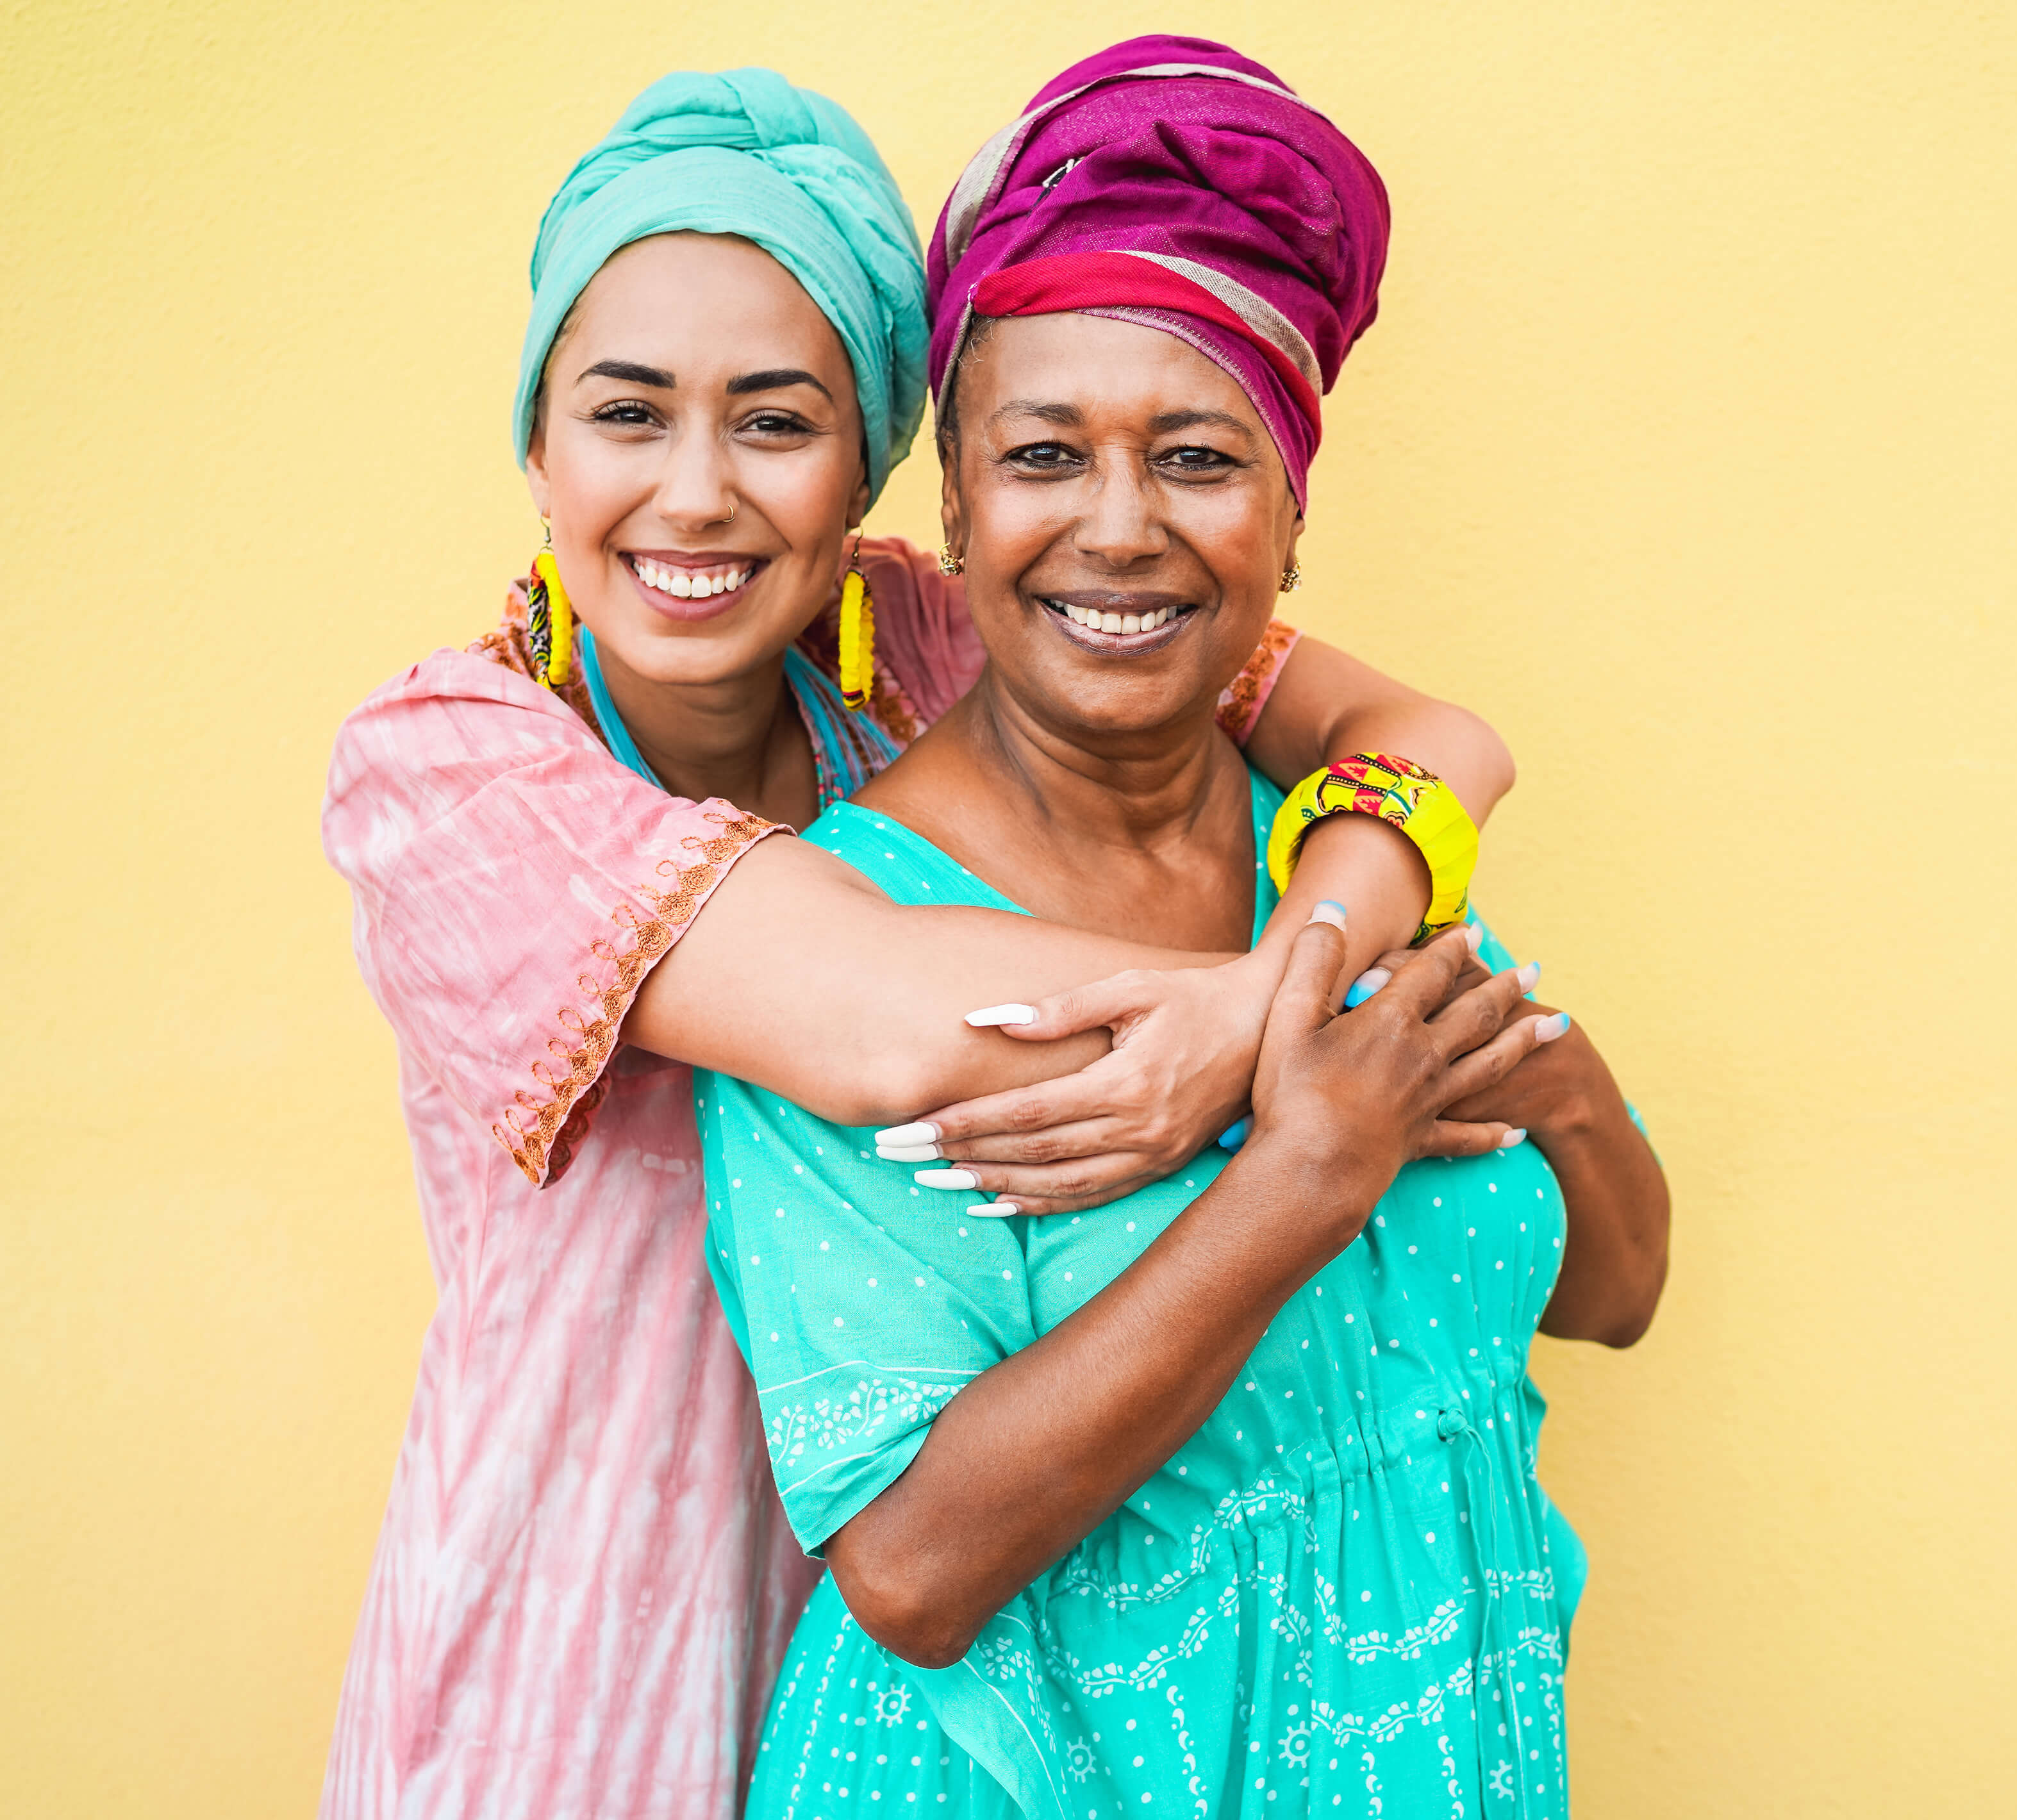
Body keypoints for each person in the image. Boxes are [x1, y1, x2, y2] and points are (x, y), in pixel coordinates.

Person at [319, 68, 1523, 1820]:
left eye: (776, 421)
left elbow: (1428, 738)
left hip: (940, 1623)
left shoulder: (940, 637)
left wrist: (1300, 975)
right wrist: (1320, 1027)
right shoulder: (450, 760)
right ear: (537, 443)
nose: (696, 495)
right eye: (626, 414)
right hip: (588, 1614)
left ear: (885, 463)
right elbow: (876, 1017)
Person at [701, 40, 1670, 1819]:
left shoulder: (1340, 850)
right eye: (1045, 456)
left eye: (1199, 458)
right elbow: (909, 1575)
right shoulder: (843, 937)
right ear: (959, 512)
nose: (1119, 528)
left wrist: (1545, 1068)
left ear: (1289, 522)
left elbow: (1611, 1291)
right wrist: (1304, 1171)